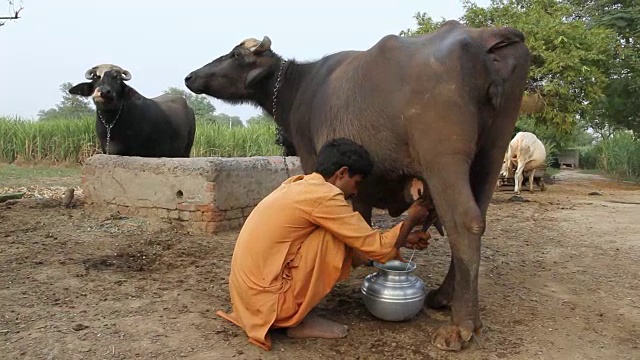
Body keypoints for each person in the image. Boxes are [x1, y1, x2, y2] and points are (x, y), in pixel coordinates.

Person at [215, 138, 432, 351]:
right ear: (342, 173)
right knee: (334, 237)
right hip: (270, 306)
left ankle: (293, 313)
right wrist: (411, 219)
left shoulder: (301, 184)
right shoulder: (325, 197)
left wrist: (403, 237)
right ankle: (296, 320)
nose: (355, 192)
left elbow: (364, 241)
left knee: (340, 232)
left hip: (249, 302)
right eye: (356, 182)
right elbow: (378, 248)